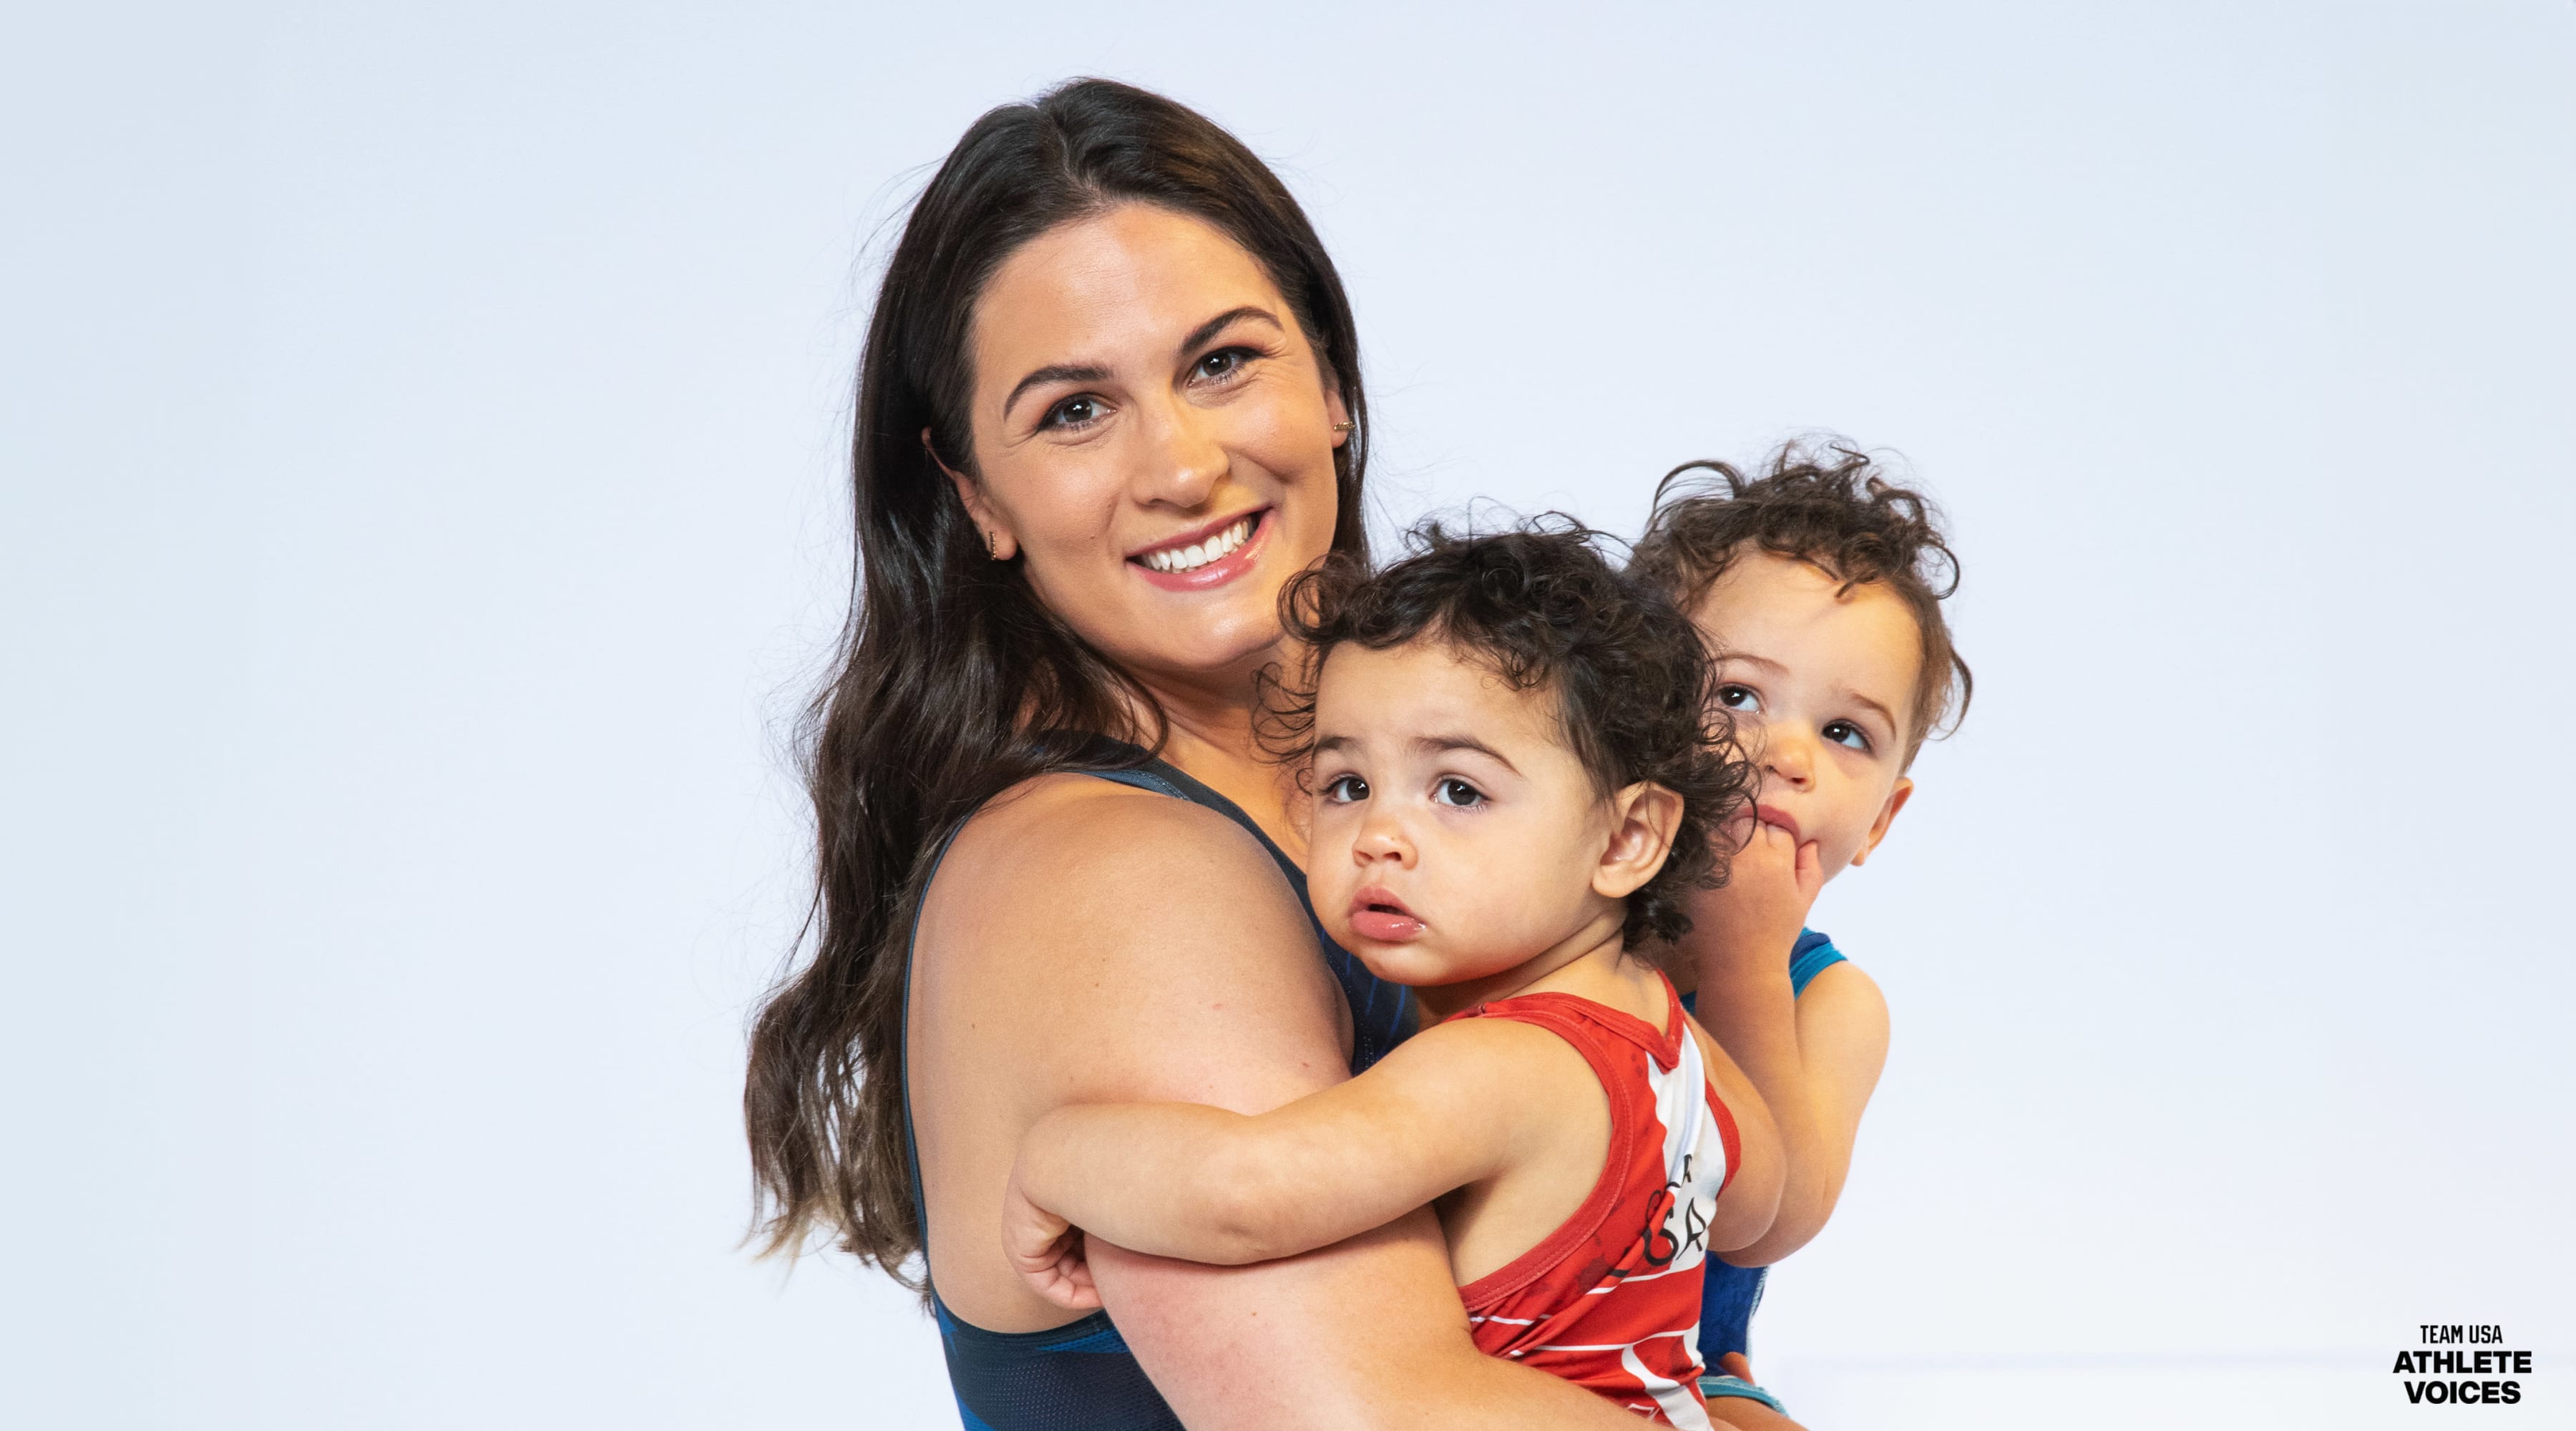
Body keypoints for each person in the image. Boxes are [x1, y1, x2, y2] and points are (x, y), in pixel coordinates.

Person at [742, 79, 1659, 1430]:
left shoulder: (1427, 810)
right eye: (1074, 412)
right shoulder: (1120, 878)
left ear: (1334, 384)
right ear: (976, 498)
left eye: (1222, 362)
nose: (1179, 466)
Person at [999, 525, 1785, 1427]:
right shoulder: (1668, 1034)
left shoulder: (1503, 1062)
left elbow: (1251, 1194)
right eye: (1346, 784)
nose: (1379, 834)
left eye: (1457, 790)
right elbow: (1752, 1208)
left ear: (1625, 837)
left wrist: (1053, 1156)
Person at [1629, 445, 1974, 1427]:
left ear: (1880, 821)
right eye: (1735, 696)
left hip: (1686, 1364)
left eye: (1845, 733)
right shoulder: (1556, 922)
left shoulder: (1835, 1003)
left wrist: (1744, 961)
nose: (1784, 756)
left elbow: (1771, 1223)